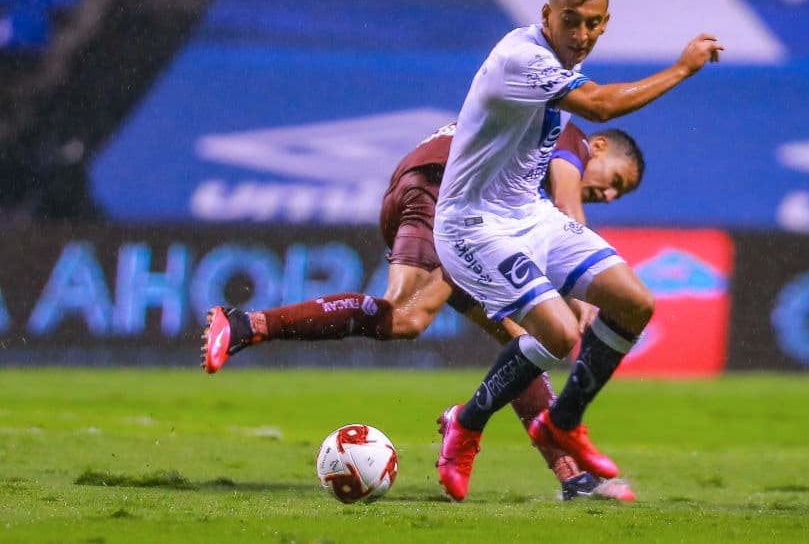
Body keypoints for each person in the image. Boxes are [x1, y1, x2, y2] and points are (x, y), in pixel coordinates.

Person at [201, 119, 645, 501]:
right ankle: (245, 324)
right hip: (442, 191)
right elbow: (568, 202)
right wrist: (583, 292)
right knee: (403, 310)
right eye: (616, 181)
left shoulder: (524, 154)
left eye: (618, 195)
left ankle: (573, 477)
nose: (608, 193)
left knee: (522, 343)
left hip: (452, 205)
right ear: (600, 148)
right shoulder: (570, 136)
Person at [433, 0, 723, 501]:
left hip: (529, 215)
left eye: (592, 23)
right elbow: (601, 104)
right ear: (547, 15)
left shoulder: (561, 65)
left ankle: (563, 420)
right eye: (570, 21)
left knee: (635, 302)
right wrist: (683, 68)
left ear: (604, 23)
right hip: (473, 225)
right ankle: (466, 424)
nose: (581, 35)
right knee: (560, 334)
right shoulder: (522, 58)